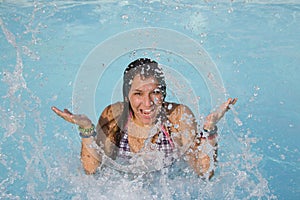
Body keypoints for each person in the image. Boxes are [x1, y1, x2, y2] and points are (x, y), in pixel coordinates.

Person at [51, 58, 237, 178]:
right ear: (127, 96)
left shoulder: (177, 117)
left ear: (163, 94)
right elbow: (91, 169)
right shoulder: (114, 117)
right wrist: (86, 130)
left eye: (155, 93)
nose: (147, 103)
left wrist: (209, 129)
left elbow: (204, 172)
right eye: (138, 94)